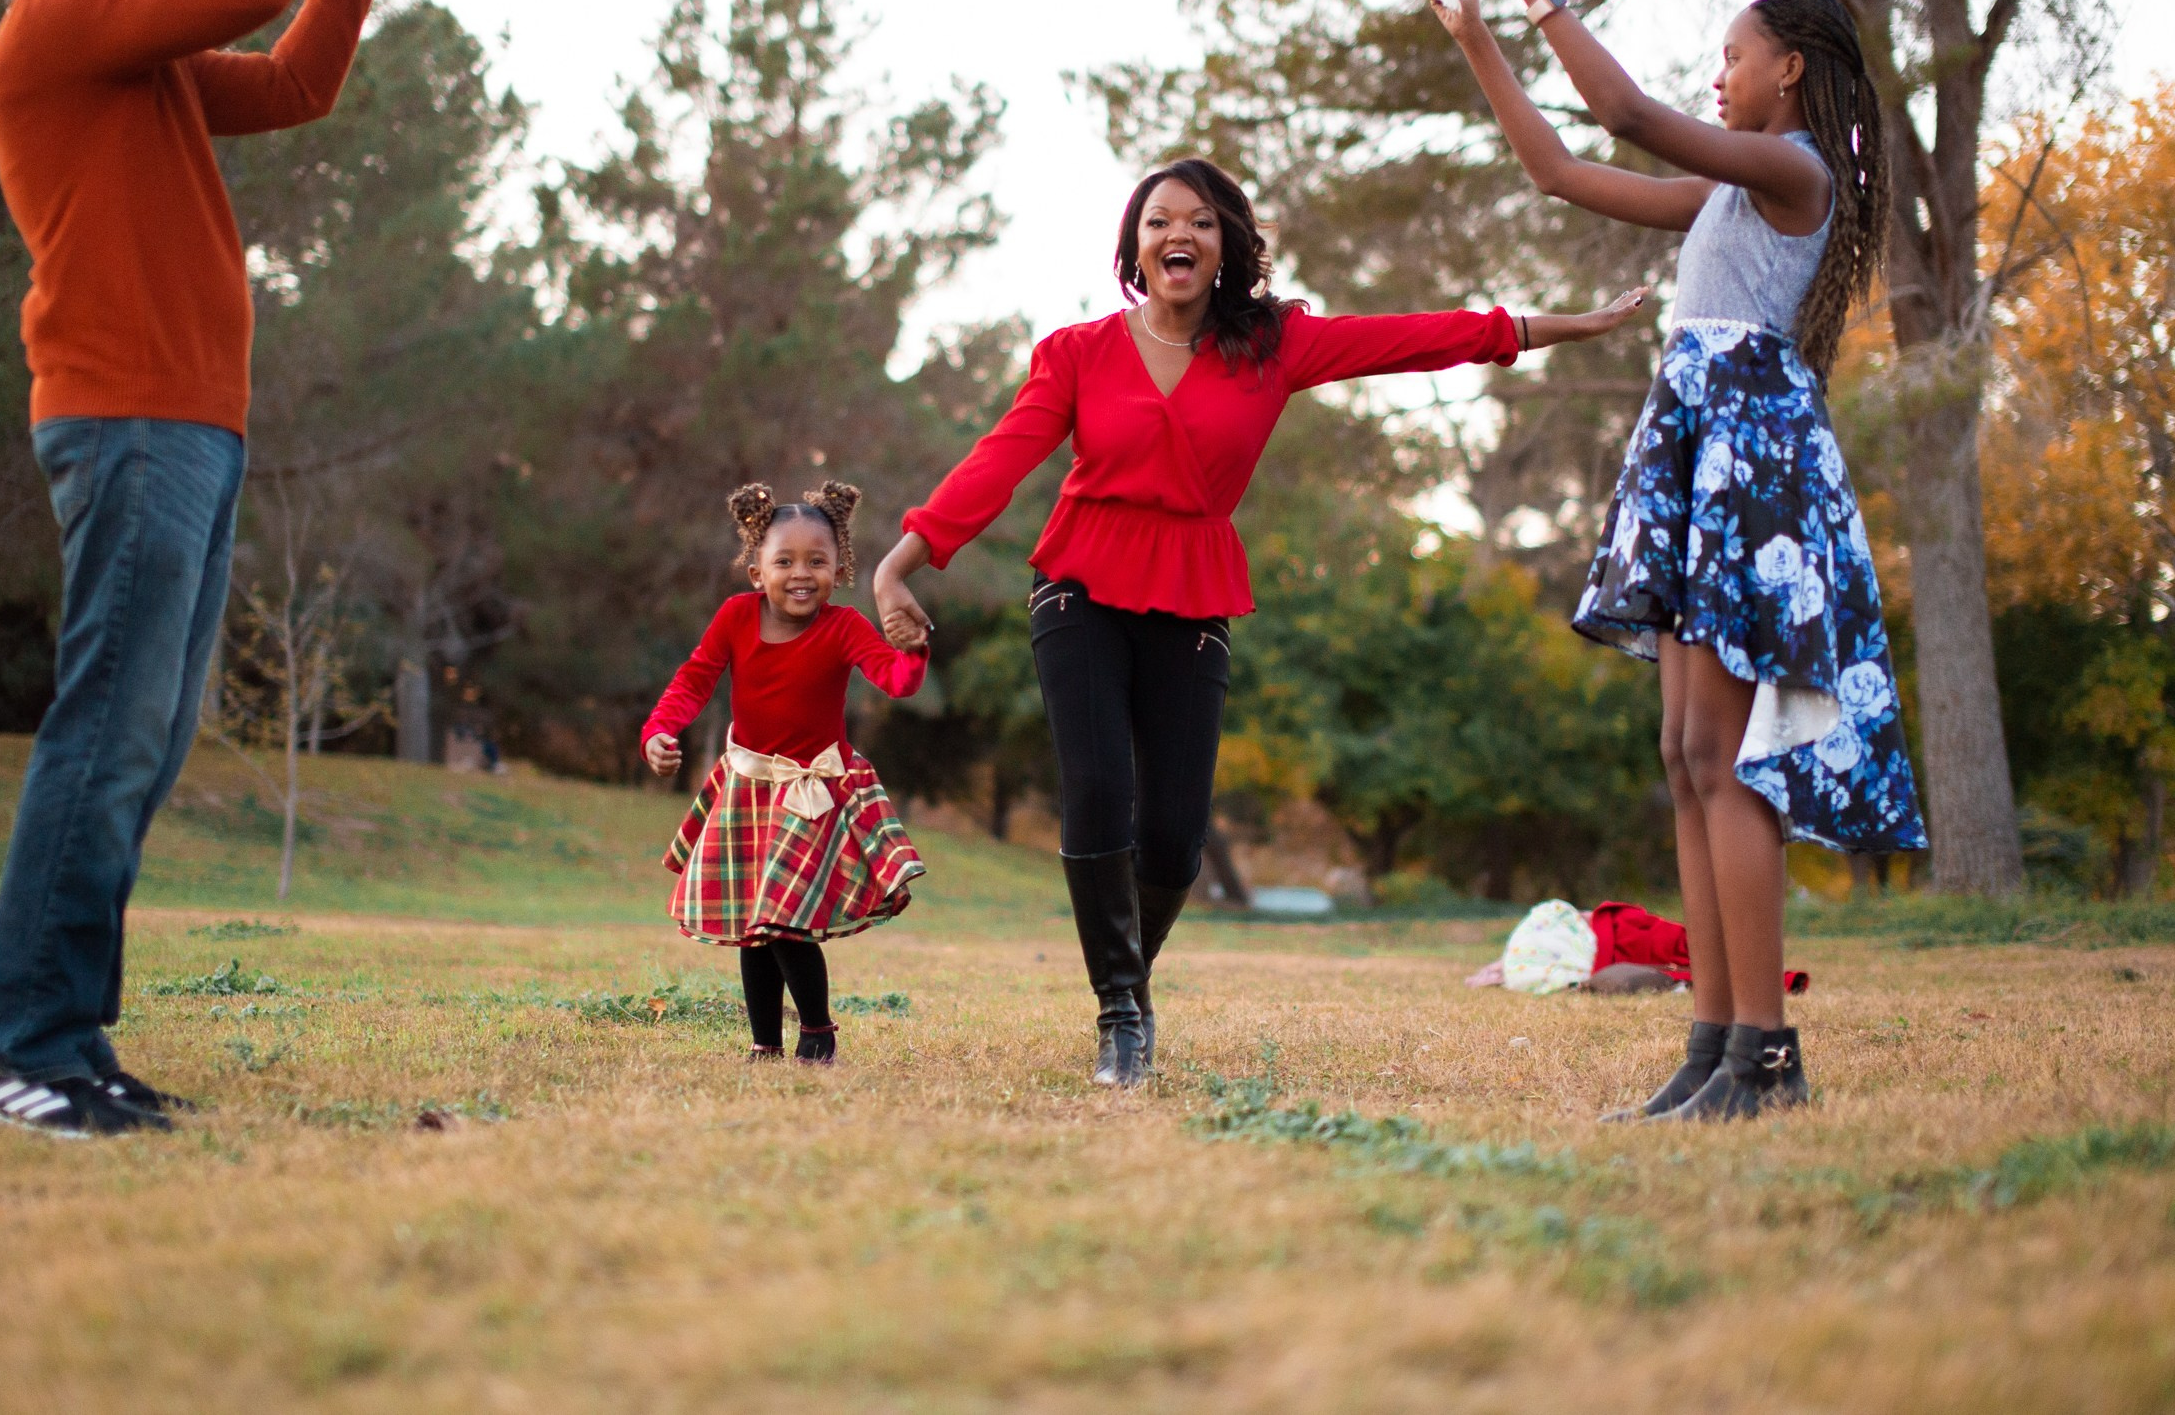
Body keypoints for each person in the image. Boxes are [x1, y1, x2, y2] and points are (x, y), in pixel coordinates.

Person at [873, 158, 1649, 1087]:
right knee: (1096, 791)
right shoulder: (1077, 352)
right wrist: (900, 562)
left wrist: (1572, 324)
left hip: (1194, 591)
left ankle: (1130, 976)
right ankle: (1120, 1011)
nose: (1179, 236)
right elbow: (997, 463)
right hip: (1080, 585)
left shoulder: (1271, 345)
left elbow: (1418, 339)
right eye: (1160, 221)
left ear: (1226, 246)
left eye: (1201, 222)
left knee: (1173, 836)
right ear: (1134, 247)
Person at [0, 0, 416, 1139]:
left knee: (137, 748)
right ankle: (13, 1049)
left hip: (190, 433)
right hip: (129, 423)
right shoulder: (65, 19)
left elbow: (296, 78)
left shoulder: (141, 69)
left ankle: (67, 1046)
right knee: (104, 733)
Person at [1430, 0, 1929, 1122]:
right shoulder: (1728, 192)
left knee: (1730, 760)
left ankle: (1765, 1053)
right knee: (1685, 750)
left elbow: (1622, 110)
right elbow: (1558, 167)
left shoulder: (1792, 170)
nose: (1719, 79)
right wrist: (1476, 36)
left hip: (1749, 467)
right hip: (1698, 454)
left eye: (1733, 57)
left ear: (1790, 75)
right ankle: (1713, 1046)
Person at [642, 483, 929, 1065]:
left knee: (785, 920)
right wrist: (658, 731)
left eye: (817, 561)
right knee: (756, 921)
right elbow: (694, 679)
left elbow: (896, 681)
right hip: (746, 788)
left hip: (812, 794)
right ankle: (765, 1043)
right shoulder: (735, 617)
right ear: (756, 573)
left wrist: (915, 646)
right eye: (785, 561)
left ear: (840, 568)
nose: (802, 574)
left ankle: (818, 1033)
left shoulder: (844, 627)